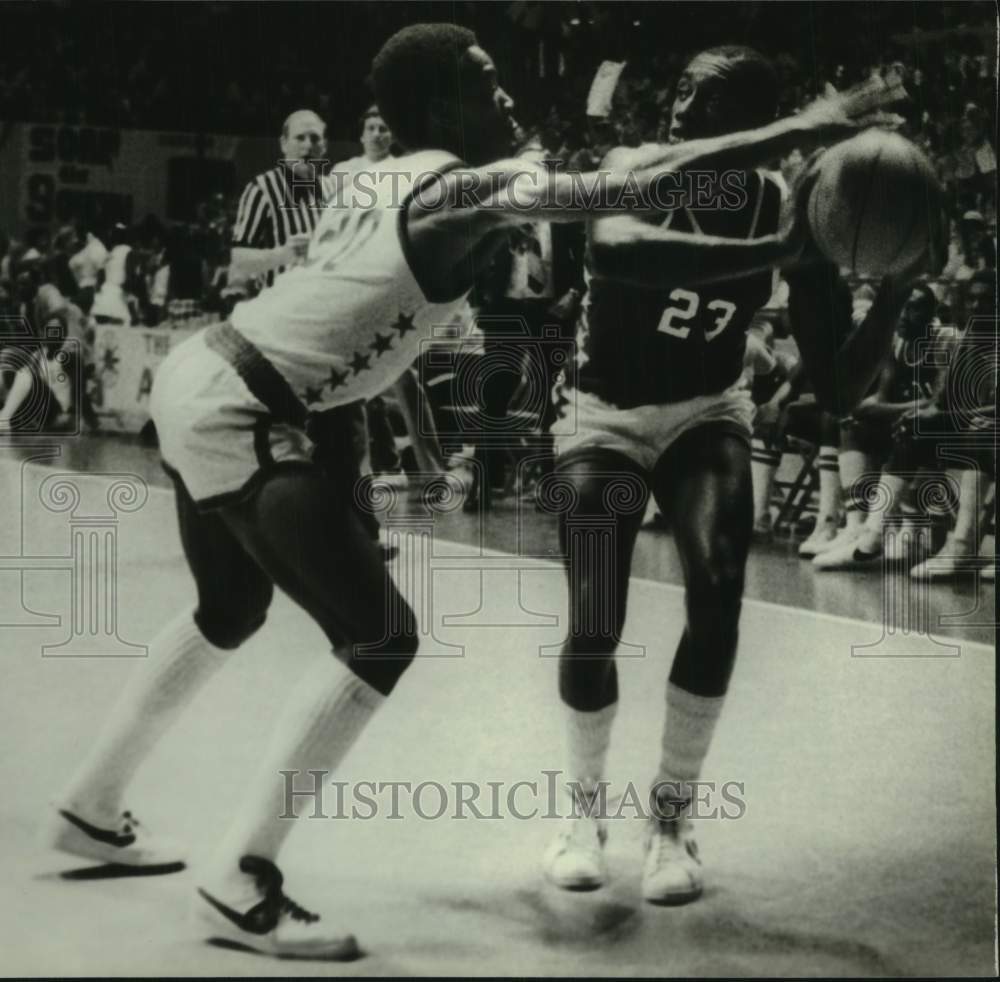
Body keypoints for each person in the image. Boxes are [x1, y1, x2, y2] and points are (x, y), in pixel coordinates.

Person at [44, 25, 899, 959]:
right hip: (248, 406)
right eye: (485, 86)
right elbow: (621, 195)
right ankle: (242, 876)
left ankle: (90, 806)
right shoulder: (473, 186)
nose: (506, 98)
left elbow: (340, 342)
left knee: (228, 607)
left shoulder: (372, 174)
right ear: (443, 110)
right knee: (379, 637)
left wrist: (352, 474)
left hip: (208, 373)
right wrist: (803, 128)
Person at [541, 45, 945, 904]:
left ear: (754, 122)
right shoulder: (634, 168)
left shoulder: (786, 204)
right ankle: (582, 811)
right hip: (601, 415)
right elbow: (616, 255)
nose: (683, 107)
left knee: (719, 585)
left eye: (710, 99)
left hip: (704, 413)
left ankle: (672, 817)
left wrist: (901, 292)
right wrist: (779, 246)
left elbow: (837, 389)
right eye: (682, 87)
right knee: (594, 613)